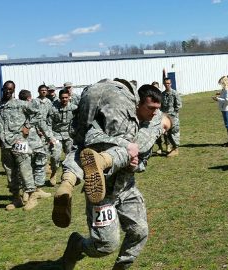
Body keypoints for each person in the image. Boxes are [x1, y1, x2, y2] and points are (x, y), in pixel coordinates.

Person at [55, 81, 164, 269]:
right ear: (138, 104)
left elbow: (143, 160)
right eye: (150, 108)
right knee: (105, 246)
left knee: (140, 232)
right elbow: (90, 139)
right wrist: (124, 145)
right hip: (100, 190)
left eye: (157, 109)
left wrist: (135, 165)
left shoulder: (146, 127)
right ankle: (77, 244)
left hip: (126, 187)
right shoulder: (113, 116)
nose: (154, 113)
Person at [0, 81, 46, 211]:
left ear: (14, 91)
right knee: (10, 171)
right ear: (2, 89)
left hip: (19, 142)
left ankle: (32, 197)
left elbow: (39, 113)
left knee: (25, 169)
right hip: (5, 145)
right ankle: (16, 198)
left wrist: (27, 126)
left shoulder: (20, 104)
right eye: (6, 89)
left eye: (11, 90)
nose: (8, 91)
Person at [18, 89, 54, 200]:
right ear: (29, 98)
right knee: (38, 163)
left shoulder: (15, 108)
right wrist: (50, 137)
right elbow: (41, 120)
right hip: (32, 140)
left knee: (25, 165)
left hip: (20, 140)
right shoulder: (31, 107)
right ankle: (35, 189)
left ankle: (28, 191)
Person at [47, 89, 78, 185]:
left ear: (69, 97)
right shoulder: (53, 109)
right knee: (55, 155)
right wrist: (50, 137)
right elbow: (48, 125)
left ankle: (68, 175)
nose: (64, 99)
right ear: (59, 98)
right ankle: (54, 172)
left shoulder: (74, 108)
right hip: (56, 135)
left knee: (70, 156)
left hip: (69, 135)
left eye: (66, 97)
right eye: (62, 98)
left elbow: (79, 121)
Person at [161, 77, 182, 157]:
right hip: (165, 117)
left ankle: (176, 149)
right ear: (164, 84)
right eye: (166, 83)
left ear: (171, 84)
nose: (167, 85)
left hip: (173, 117)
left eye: (169, 83)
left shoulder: (174, 93)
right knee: (167, 133)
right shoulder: (162, 94)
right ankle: (172, 147)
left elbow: (179, 106)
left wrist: (173, 115)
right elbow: (161, 106)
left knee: (174, 132)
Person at [213, 76, 228, 147]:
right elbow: (224, 96)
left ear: (224, 82)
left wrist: (218, 99)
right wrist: (219, 95)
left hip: (227, 109)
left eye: (221, 83)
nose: (221, 85)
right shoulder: (225, 89)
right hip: (224, 108)